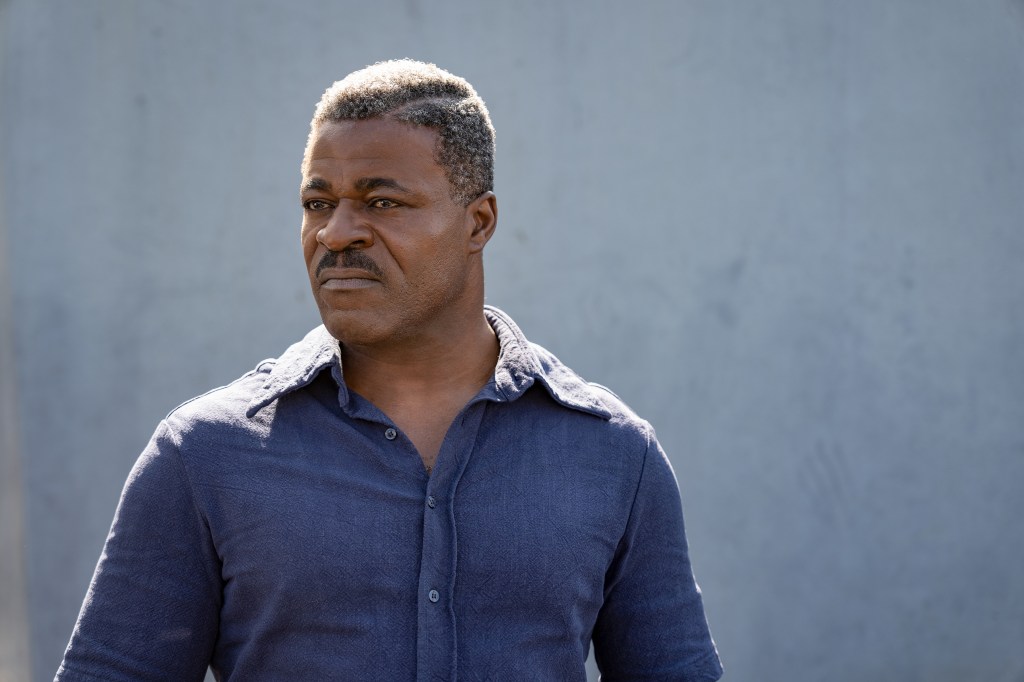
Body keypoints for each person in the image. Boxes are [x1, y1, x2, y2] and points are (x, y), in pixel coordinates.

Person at [56, 59, 722, 681]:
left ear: (479, 222)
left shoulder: (613, 456)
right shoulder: (205, 454)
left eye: (381, 202)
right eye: (318, 203)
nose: (335, 233)